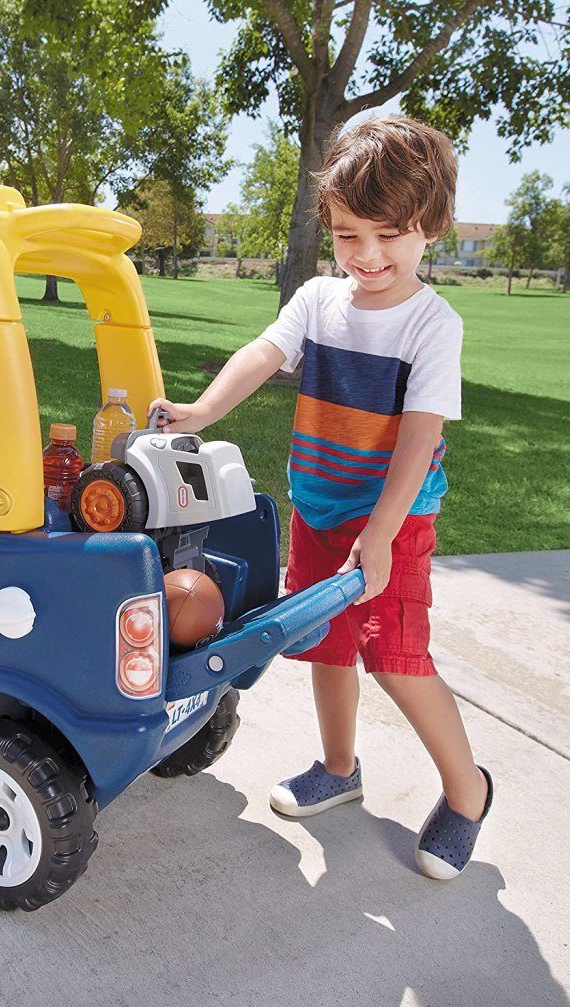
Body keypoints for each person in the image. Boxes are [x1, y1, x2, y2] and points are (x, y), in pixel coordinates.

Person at [149, 116, 492, 880]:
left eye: (389, 235)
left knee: (396, 658)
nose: (367, 256)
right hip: (321, 510)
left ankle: (467, 793)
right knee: (325, 645)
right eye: (347, 235)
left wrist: (382, 531)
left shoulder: (433, 325)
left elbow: (417, 440)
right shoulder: (317, 299)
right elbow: (262, 354)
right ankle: (339, 768)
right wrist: (202, 410)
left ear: (430, 226)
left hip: (393, 524)